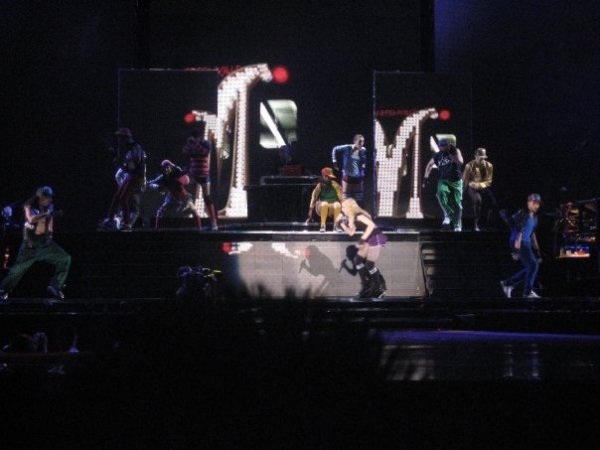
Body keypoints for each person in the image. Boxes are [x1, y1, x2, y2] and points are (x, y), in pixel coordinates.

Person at [0, 187, 71, 302]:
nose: (49, 200)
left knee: (65, 258)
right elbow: (31, 219)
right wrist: (47, 214)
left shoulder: (50, 207)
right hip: (30, 242)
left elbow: (50, 223)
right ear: (40, 197)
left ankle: (55, 286)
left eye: (50, 197)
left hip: (43, 243)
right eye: (47, 197)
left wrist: (50, 235)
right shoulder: (29, 205)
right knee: (18, 269)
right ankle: (3, 289)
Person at [335, 198, 387, 298]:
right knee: (357, 260)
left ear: (350, 208)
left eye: (344, 207)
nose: (342, 209)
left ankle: (379, 289)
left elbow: (371, 225)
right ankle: (366, 286)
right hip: (368, 238)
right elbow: (351, 232)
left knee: (369, 265)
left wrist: (362, 239)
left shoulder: (359, 215)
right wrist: (341, 223)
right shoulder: (352, 218)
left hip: (375, 237)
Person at [102, 128, 147, 231]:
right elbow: (128, 167)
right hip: (131, 175)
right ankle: (110, 218)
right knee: (117, 196)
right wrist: (122, 164)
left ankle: (127, 223)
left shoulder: (136, 147)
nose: (119, 140)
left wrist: (123, 163)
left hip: (137, 177)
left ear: (125, 138)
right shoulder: (129, 149)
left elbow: (135, 164)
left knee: (123, 199)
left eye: (120, 137)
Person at [500, 193, 543, 299]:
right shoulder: (523, 213)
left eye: (538, 203)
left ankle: (507, 283)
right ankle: (527, 292)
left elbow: (532, 234)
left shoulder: (535, 218)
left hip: (526, 242)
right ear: (529, 202)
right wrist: (516, 248)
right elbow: (518, 228)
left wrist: (537, 251)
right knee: (533, 265)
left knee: (532, 267)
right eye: (534, 202)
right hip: (518, 241)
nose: (536, 205)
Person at [148, 160, 202, 230]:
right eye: (164, 168)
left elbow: (186, 179)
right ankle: (157, 230)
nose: (166, 169)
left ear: (170, 166)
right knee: (160, 212)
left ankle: (199, 229)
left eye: (168, 167)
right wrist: (156, 186)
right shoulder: (163, 177)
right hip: (172, 197)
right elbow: (152, 183)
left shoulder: (177, 172)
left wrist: (179, 180)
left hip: (183, 196)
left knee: (193, 210)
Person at [423, 138, 464, 231]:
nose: (443, 147)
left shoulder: (455, 151)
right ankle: (449, 214)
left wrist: (452, 155)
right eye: (441, 146)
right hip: (443, 180)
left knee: (457, 204)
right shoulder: (438, 155)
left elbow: (460, 162)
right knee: (440, 193)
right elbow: (429, 165)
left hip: (456, 181)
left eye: (445, 146)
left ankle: (457, 226)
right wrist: (425, 178)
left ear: (448, 145)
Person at [182, 129, 218, 230]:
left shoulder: (205, 143)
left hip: (204, 175)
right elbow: (184, 151)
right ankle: (191, 215)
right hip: (193, 174)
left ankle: (213, 222)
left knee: (207, 198)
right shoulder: (192, 144)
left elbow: (205, 152)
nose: (194, 139)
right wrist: (189, 144)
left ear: (200, 137)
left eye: (196, 138)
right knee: (183, 188)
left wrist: (195, 143)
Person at [462, 148, 499, 231]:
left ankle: (488, 224)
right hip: (472, 187)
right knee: (478, 200)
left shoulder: (489, 166)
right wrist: (462, 192)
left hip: (483, 187)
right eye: (480, 157)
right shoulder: (469, 165)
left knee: (492, 203)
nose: (482, 159)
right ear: (476, 156)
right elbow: (465, 180)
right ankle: (476, 224)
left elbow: (489, 181)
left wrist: (480, 185)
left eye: (483, 158)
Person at [331, 134, 367, 204]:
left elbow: (364, 161)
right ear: (355, 141)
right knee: (346, 198)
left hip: (358, 177)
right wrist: (334, 161)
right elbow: (335, 149)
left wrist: (363, 169)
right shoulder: (347, 147)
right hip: (347, 176)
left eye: (363, 141)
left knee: (359, 199)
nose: (361, 143)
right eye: (360, 141)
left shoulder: (363, 150)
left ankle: (358, 210)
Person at [306, 167, 343, 232]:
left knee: (337, 205)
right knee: (324, 204)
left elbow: (341, 197)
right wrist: (310, 210)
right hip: (321, 207)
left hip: (332, 206)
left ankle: (336, 225)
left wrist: (344, 208)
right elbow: (314, 197)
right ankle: (323, 225)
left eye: (330, 177)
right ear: (323, 177)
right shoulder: (319, 186)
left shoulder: (335, 185)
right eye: (326, 177)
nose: (328, 178)